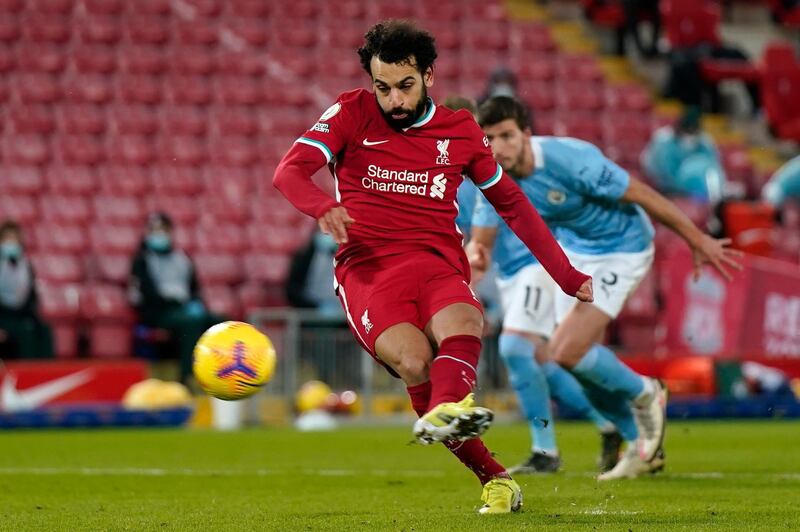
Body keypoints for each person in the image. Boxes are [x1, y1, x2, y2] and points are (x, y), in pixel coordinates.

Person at [273, 20, 593, 514]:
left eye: (405, 86)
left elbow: (512, 204)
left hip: (437, 261)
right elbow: (288, 171)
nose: (394, 101)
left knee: (465, 322)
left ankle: (449, 410)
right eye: (383, 88)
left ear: (429, 76)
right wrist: (321, 207)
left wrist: (565, 274)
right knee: (414, 361)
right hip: (369, 269)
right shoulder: (351, 111)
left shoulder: (460, 130)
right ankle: (495, 476)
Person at [468, 96, 741, 480]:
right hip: (577, 254)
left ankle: (647, 392)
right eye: (489, 138)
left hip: (623, 248)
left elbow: (643, 195)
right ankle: (639, 443)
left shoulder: (571, 161)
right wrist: (473, 258)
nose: (498, 147)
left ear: (527, 135)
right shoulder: (493, 177)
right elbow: (481, 240)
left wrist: (698, 238)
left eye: (507, 136)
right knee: (573, 362)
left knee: (565, 349)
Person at [128, 213, 224, 384]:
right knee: (191, 323)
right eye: (155, 230)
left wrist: (196, 303)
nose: (159, 235)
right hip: (159, 313)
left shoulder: (182, 259)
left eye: (163, 230)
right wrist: (176, 304)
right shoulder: (142, 260)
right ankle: (187, 377)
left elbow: (195, 288)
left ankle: (220, 373)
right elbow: (145, 295)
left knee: (219, 321)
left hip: (183, 309)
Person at [642, 106, 727, 205]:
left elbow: (713, 166)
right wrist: (673, 187)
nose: (690, 136)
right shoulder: (663, 140)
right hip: (665, 190)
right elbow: (655, 169)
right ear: (679, 128)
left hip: (697, 192)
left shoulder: (704, 141)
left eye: (693, 131)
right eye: (687, 131)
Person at [0, 221, 54, 359]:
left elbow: (31, 295)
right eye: (7, 239)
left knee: (43, 330)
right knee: (24, 331)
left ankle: (43, 373)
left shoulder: (26, 265)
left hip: (22, 315)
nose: (11, 243)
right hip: (3, 315)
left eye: (14, 239)